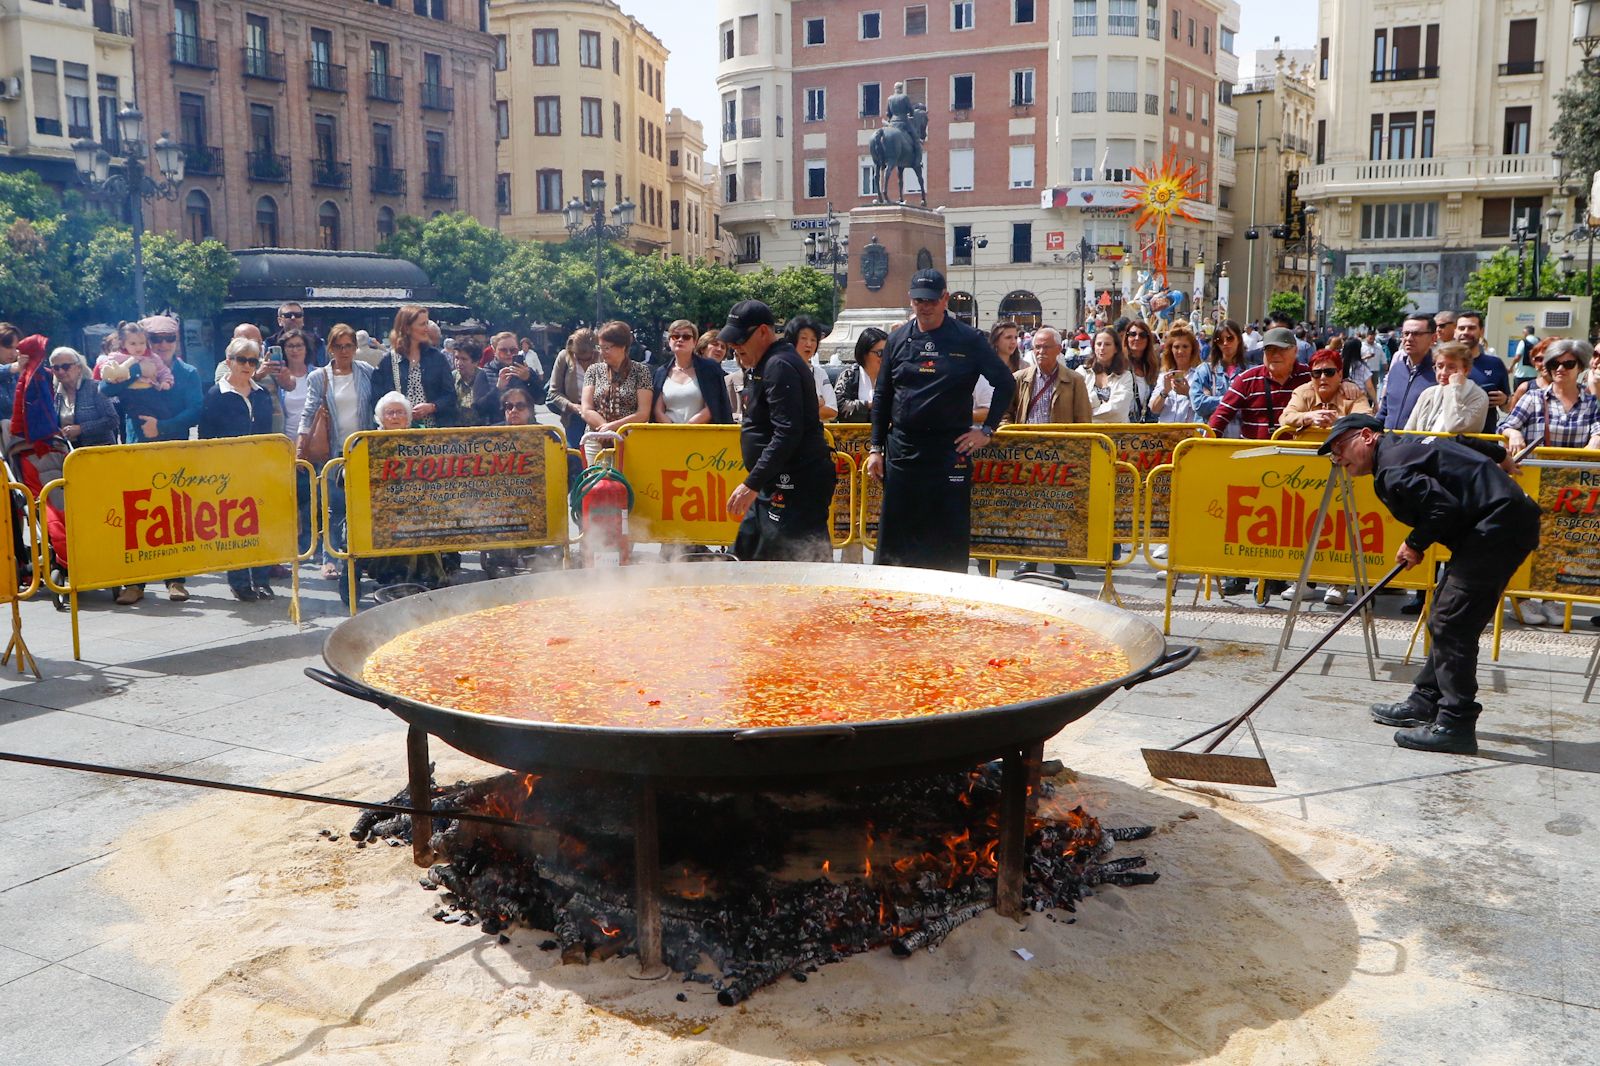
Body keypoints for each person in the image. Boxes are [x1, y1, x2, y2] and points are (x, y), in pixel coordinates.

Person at [1322, 414, 1539, 755]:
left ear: (1366, 436)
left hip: (1498, 530)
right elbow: (1459, 441)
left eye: (1340, 447)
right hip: (1494, 526)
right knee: (1444, 610)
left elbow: (1442, 507)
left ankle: (1456, 723)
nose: (1338, 458)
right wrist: (1499, 456)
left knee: (1452, 622)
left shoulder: (1393, 468)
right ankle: (1426, 700)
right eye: (1332, 453)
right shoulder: (1406, 444)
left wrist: (1415, 543)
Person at [866, 269, 1015, 571]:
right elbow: (882, 395)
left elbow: (1006, 383)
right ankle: (892, 596)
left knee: (946, 532)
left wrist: (987, 430)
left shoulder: (969, 338)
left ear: (945, 299)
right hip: (904, 449)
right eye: (919, 300)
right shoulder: (896, 340)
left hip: (950, 450)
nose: (925, 306)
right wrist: (875, 449)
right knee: (897, 534)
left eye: (932, 300)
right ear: (911, 301)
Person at [97, 314, 204, 604]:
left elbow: (196, 410)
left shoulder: (188, 372)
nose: (163, 343)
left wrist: (162, 426)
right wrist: (134, 371)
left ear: (177, 340)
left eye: (169, 338)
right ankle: (135, 584)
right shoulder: (130, 362)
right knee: (138, 513)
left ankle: (175, 579)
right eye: (156, 339)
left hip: (173, 449)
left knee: (174, 513)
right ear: (145, 341)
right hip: (137, 446)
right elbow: (104, 388)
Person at [718, 300, 837, 561]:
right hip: (772, 483)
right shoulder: (765, 362)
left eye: (740, 339)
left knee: (798, 561)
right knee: (744, 555)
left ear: (762, 332)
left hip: (795, 484)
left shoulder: (779, 365)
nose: (735, 347)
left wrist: (751, 483)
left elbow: (788, 432)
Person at [200, 338, 275, 602]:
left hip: (259, 470)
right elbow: (206, 438)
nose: (246, 365)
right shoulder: (215, 394)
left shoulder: (262, 393)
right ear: (229, 360)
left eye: (252, 360)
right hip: (229, 472)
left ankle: (262, 579)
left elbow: (268, 434)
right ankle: (240, 581)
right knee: (236, 528)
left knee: (261, 525)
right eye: (241, 359)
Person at [299, 324, 376, 581]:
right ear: (330, 348)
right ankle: (329, 559)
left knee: (362, 507)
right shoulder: (319, 377)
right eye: (339, 346)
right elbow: (308, 412)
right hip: (332, 450)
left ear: (355, 348)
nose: (344, 351)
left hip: (361, 450)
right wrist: (301, 447)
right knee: (334, 508)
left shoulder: (366, 371)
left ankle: (359, 556)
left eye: (349, 346)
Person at [579, 320, 653, 459]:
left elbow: (643, 413)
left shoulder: (641, 371)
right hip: (596, 438)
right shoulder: (593, 370)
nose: (602, 352)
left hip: (629, 439)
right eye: (600, 347)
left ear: (623, 347)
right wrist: (605, 429)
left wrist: (615, 427)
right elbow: (586, 409)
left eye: (607, 348)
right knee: (595, 480)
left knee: (628, 480)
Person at [376, 304, 455, 429]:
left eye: (427, 323)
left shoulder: (437, 358)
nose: (426, 329)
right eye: (422, 324)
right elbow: (378, 399)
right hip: (398, 433)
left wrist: (432, 407)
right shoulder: (388, 362)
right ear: (407, 328)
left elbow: (450, 395)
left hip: (432, 433)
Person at [1003, 326, 1091, 425]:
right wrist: (1012, 435)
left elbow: (1083, 420)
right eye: (1037, 347)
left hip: (1060, 440)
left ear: (1059, 349)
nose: (1041, 351)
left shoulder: (1075, 380)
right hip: (1026, 439)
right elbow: (1004, 414)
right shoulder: (1018, 379)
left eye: (1046, 347)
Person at [652, 319, 732, 424]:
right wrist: (672, 430)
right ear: (669, 341)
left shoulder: (710, 369)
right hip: (668, 435)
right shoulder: (660, 373)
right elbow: (658, 410)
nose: (680, 340)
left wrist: (687, 428)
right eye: (675, 336)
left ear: (694, 342)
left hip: (701, 434)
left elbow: (713, 406)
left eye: (686, 337)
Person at [1404, 342, 1490, 436]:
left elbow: (1454, 427)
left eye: (1451, 367)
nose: (1443, 372)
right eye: (1439, 366)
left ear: (1466, 370)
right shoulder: (1428, 393)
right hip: (1422, 449)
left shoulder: (1478, 396)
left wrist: (1454, 388)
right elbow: (1409, 431)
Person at [1280, 348, 1373, 431]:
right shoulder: (1302, 393)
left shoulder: (1352, 393)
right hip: (1307, 449)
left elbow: (1368, 420)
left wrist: (1340, 421)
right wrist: (1308, 417)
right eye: (1317, 373)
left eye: (1329, 372)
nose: (1323, 377)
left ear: (1340, 375)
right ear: (1311, 376)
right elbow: (1285, 417)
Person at [1375, 313, 1438, 430]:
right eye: (1406, 334)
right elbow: (1385, 407)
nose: (1409, 338)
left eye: (1416, 334)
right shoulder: (1397, 368)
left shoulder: (1439, 373)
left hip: (1416, 444)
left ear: (1433, 338)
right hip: (1386, 442)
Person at [1453, 311, 1510, 430]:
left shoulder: (1495, 364)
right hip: (1449, 437)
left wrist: (1504, 400)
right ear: (1455, 331)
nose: (1465, 332)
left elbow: (1508, 407)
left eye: (1471, 328)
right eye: (1461, 328)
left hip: (1484, 439)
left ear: (1482, 331)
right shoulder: (1442, 364)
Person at [50, 348, 116, 449]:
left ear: (79, 367)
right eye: (56, 368)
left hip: (100, 452)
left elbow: (112, 420)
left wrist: (81, 429)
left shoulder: (95, 388)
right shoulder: (56, 394)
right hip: (72, 454)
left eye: (66, 366)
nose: (61, 371)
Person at [546, 328, 600, 448]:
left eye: (587, 359)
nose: (584, 362)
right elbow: (553, 392)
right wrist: (572, 406)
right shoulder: (563, 357)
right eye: (579, 358)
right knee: (576, 457)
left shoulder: (602, 358)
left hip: (599, 415)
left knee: (599, 458)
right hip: (574, 417)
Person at [474, 331, 543, 425]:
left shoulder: (526, 371)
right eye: (503, 350)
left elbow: (541, 399)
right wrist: (498, 388)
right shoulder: (484, 373)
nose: (508, 353)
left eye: (513, 350)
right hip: (497, 430)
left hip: (527, 429)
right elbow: (479, 410)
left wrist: (528, 379)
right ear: (494, 351)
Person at [1193, 319, 1249, 429]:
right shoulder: (1205, 371)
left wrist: (1212, 400)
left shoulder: (1250, 371)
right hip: (1210, 435)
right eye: (1219, 340)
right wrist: (1236, 400)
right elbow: (1198, 405)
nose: (1225, 343)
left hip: (1242, 437)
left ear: (1239, 339)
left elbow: (1254, 407)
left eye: (1230, 338)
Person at [784, 315, 838, 421]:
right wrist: (817, 403)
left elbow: (832, 411)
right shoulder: (783, 371)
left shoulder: (820, 373)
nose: (809, 344)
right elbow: (787, 410)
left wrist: (804, 408)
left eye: (813, 340)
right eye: (804, 338)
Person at [1149, 323, 1206, 424]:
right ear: (1171, 350)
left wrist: (1189, 393)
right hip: (1165, 435)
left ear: (1192, 349)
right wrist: (1165, 392)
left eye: (1185, 347)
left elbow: (1205, 406)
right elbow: (1154, 409)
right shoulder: (1164, 376)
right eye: (1176, 347)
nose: (1180, 351)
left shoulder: (1201, 374)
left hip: (1190, 435)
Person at [1080, 328, 1134, 423]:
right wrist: (1095, 400)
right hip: (1087, 434)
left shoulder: (1125, 376)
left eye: (1107, 344)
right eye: (1099, 344)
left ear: (1116, 349)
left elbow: (1118, 412)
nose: (1102, 348)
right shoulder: (1082, 372)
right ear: (1093, 347)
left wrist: (1085, 415)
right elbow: (1074, 406)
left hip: (1117, 435)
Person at [834, 328, 887, 423]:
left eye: (887, 353)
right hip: (853, 436)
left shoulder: (893, 377)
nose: (884, 357)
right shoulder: (849, 375)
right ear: (864, 353)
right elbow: (839, 406)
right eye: (880, 353)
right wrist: (869, 405)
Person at [1120, 320, 1160, 423]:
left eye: (1142, 335)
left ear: (1148, 339)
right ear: (1126, 338)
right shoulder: (1118, 365)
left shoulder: (1154, 367)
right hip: (1123, 424)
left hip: (1146, 426)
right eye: (1133, 334)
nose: (1137, 338)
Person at [269, 301, 325, 366]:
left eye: (298, 315)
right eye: (288, 315)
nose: (293, 318)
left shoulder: (317, 342)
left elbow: (323, 366)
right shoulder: (270, 343)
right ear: (280, 321)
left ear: (303, 320)